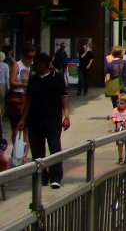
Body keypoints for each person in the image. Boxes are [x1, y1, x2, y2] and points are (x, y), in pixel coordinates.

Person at [17, 52, 70, 188]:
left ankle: (55, 177)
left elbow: (63, 98)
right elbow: (28, 100)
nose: (34, 65)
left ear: (45, 64)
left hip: (52, 119)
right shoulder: (33, 79)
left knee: (54, 147)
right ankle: (41, 175)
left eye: (37, 63)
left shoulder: (57, 78)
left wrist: (66, 116)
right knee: (37, 150)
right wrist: (23, 119)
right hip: (34, 120)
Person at [7, 44, 35, 158]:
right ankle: (17, 152)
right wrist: (26, 84)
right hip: (18, 99)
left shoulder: (34, 66)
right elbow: (12, 82)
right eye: (29, 57)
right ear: (23, 55)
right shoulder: (17, 65)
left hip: (29, 99)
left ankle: (24, 156)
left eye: (33, 57)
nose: (31, 60)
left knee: (27, 130)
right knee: (15, 130)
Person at [110, 93, 126, 164]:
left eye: (121, 103)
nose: (119, 104)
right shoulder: (115, 110)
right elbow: (113, 117)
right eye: (117, 102)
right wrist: (115, 120)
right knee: (120, 144)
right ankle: (120, 157)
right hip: (119, 130)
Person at [0, 51, 9, 121]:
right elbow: (7, 77)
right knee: (2, 101)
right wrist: (8, 87)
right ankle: (1, 115)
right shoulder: (5, 65)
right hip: (2, 84)